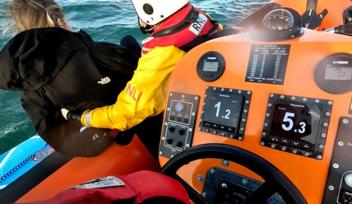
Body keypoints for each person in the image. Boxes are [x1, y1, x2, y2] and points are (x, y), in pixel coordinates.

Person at [64, 0, 235, 157]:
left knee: (142, 119)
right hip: (211, 93)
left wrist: (81, 117)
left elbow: (123, 116)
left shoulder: (161, 55)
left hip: (190, 120)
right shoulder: (199, 17)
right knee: (128, 42)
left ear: (150, 12)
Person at [0, 0, 141, 157]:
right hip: (132, 124)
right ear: (60, 21)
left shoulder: (31, 91)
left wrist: (97, 142)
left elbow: (54, 134)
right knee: (128, 41)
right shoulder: (98, 53)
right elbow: (143, 76)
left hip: (96, 138)